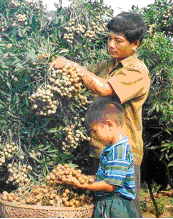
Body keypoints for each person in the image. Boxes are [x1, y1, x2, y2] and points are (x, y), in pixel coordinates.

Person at [42, 12, 150, 217]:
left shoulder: (137, 71)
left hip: (123, 152)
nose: (111, 44)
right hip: (99, 149)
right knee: (101, 209)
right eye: (109, 38)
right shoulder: (108, 65)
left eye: (118, 41)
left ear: (135, 44)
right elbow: (82, 73)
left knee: (123, 207)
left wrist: (70, 65)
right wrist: (49, 61)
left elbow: (104, 89)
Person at [57, 97, 138, 218]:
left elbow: (110, 185)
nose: (93, 136)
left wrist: (81, 185)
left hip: (116, 206)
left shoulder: (119, 150)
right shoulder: (112, 148)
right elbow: (105, 177)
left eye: (94, 131)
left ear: (109, 125)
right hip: (109, 203)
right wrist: (83, 178)